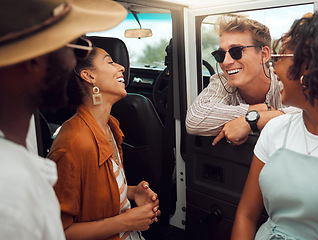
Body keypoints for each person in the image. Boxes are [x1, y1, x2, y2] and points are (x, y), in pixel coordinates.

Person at [231, 9, 318, 240]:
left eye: (280, 57)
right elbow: (245, 215)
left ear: (310, 68)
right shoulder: (275, 131)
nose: (272, 67)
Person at [0, 0, 126, 239]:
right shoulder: (10, 193)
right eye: (74, 45)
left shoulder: (17, 159)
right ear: (35, 59)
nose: (74, 60)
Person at [47, 46, 160, 240]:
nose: (121, 67)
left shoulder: (110, 128)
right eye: (110, 62)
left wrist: (131, 192)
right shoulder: (73, 143)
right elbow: (60, 232)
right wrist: (127, 221)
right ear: (89, 76)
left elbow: (93, 194)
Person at [185, 15, 299, 146]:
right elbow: (194, 119)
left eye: (236, 51)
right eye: (220, 55)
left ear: (264, 55)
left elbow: (312, 114)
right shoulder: (223, 81)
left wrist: (253, 120)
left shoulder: (286, 79)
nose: (226, 62)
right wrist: (257, 109)